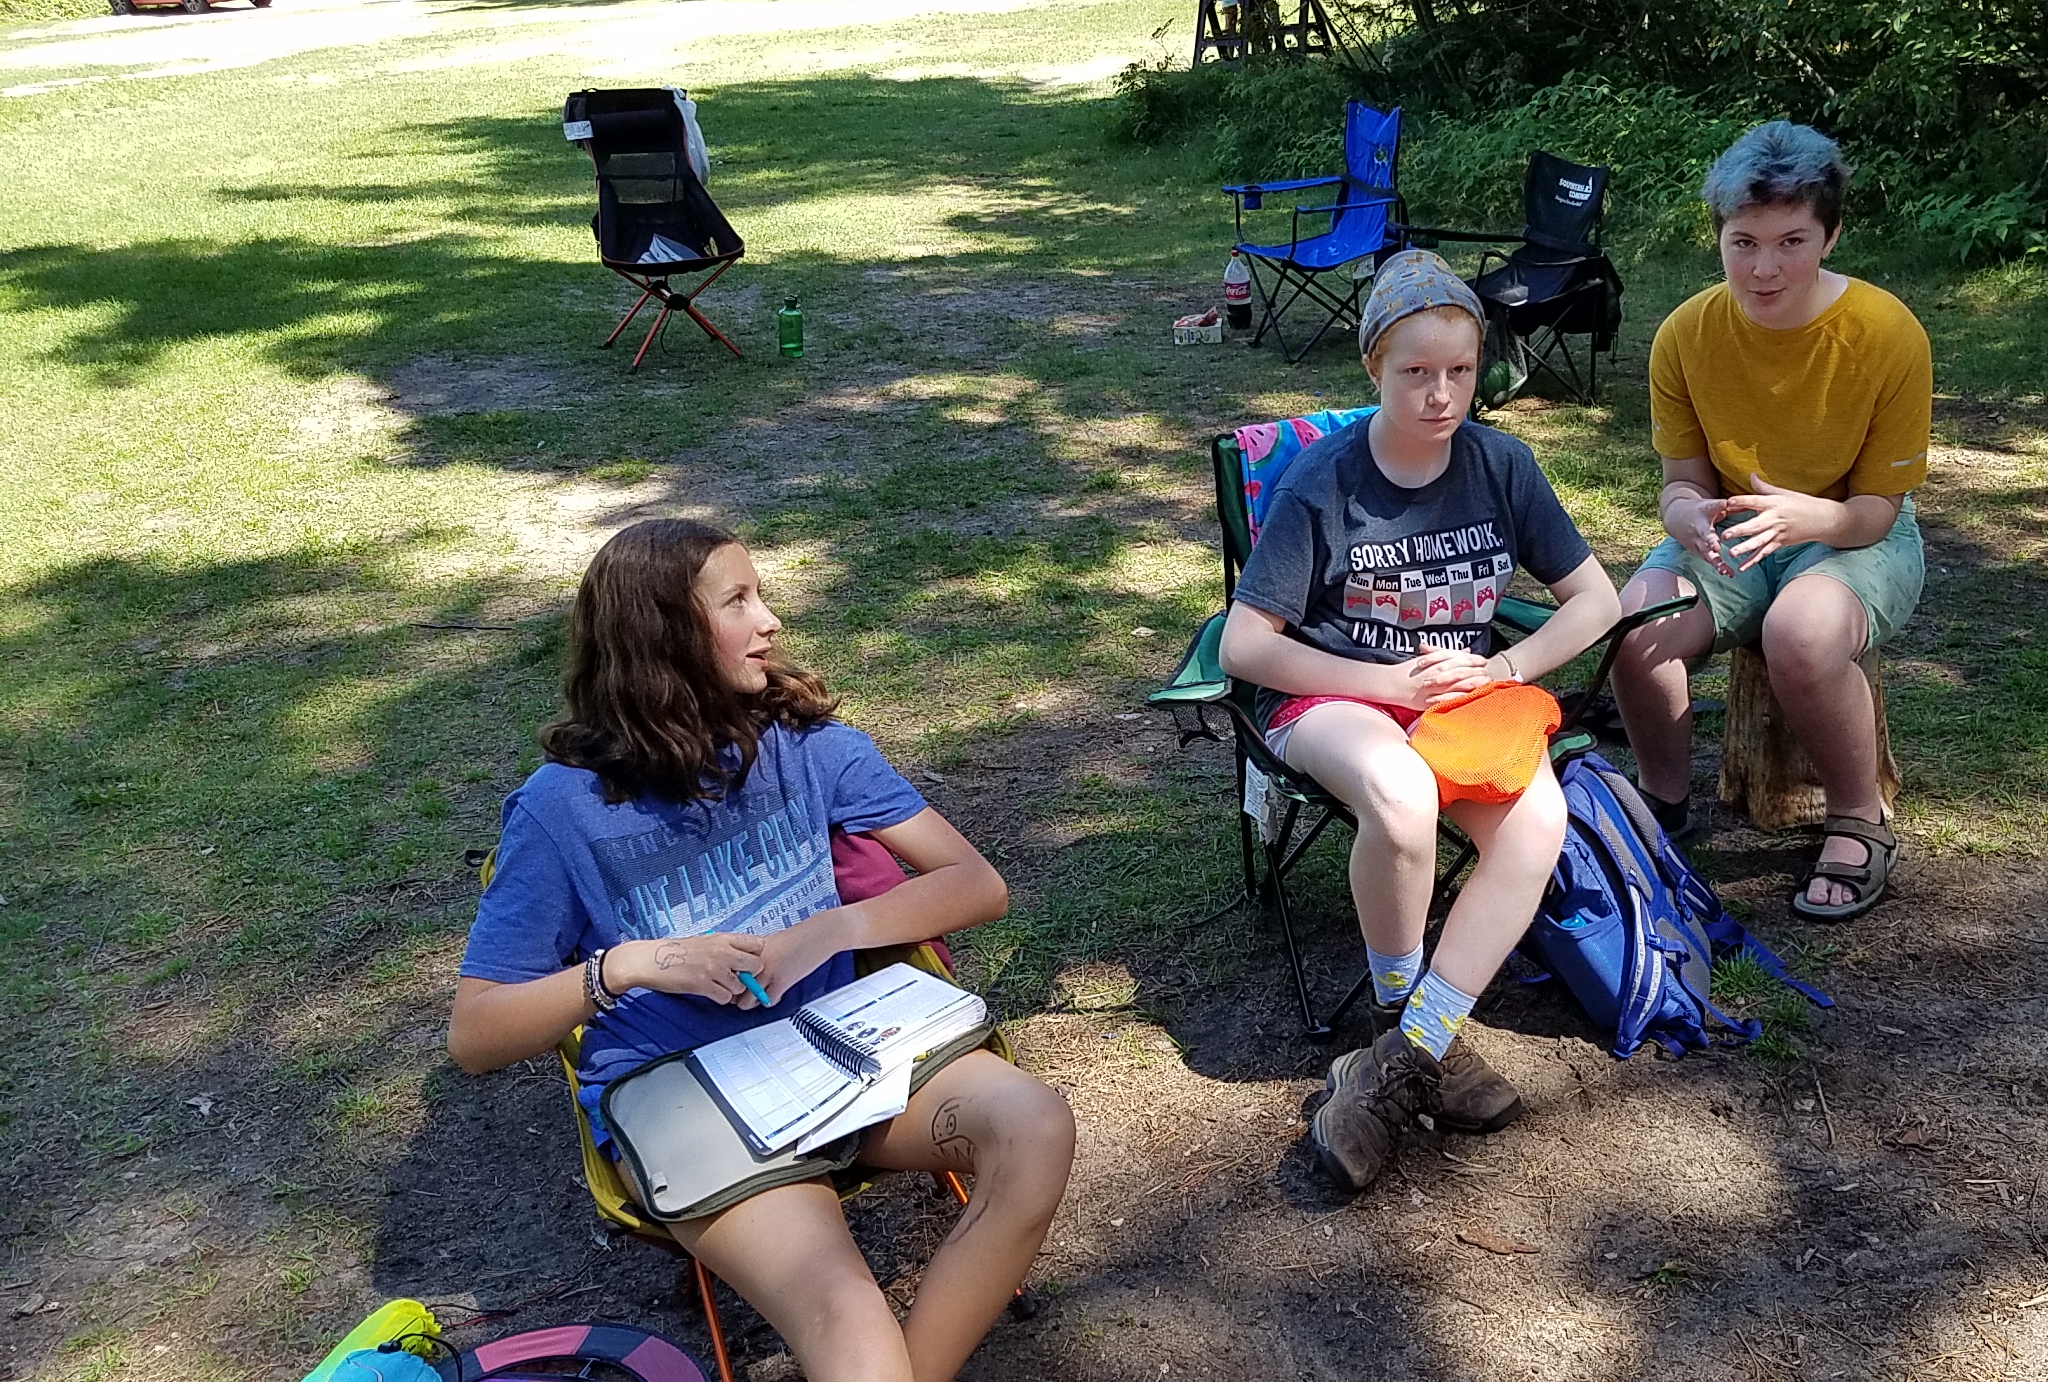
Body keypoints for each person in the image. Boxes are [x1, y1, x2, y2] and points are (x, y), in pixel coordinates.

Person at [447, 518, 1073, 1382]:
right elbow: (475, 1035)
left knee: (1036, 1125)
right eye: (738, 601)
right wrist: (624, 966)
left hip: (839, 1045)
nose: (772, 619)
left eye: (761, 593)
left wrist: (831, 928)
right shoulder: (561, 813)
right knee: (847, 1311)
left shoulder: (804, 744)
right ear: (662, 637)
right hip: (686, 1091)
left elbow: (978, 885)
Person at [1218, 248, 1619, 1191]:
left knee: (1537, 820)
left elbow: (1594, 600)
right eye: (1416, 373)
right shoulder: (1326, 479)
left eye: (1461, 372)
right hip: (1325, 691)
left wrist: (1506, 664)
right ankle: (1413, 1026)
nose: (1441, 395)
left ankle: (1402, 1056)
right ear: (1373, 369)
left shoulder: (1501, 464)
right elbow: (1244, 644)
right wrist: (1384, 686)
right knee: (1399, 798)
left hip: (1457, 698)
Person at [1607, 121, 1933, 925]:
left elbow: (1874, 511)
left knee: (1802, 633)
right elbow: (1681, 483)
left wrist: (1806, 517)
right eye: (1742, 241)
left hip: (1854, 531)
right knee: (1634, 623)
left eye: (1791, 240)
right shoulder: (1686, 334)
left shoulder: (1888, 334)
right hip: (1734, 531)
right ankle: (1664, 804)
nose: (1764, 267)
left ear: (1831, 236)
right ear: (1717, 235)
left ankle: (1858, 818)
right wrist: (1684, 513)